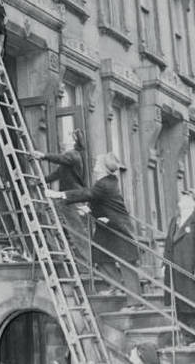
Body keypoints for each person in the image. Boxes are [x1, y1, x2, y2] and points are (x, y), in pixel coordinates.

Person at [46, 153, 143, 310]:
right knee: (99, 256)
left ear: (104, 168)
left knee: (127, 264)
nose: (95, 166)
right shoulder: (106, 182)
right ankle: (116, 285)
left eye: (97, 163)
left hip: (118, 228)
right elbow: (99, 200)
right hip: (107, 227)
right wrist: (90, 210)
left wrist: (60, 194)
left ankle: (136, 303)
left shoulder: (105, 183)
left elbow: (90, 194)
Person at [163, 188, 195, 346]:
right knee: (178, 305)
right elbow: (168, 245)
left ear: (193, 203)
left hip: (190, 271)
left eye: (185, 198)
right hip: (174, 270)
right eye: (182, 197)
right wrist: (165, 263)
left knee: (193, 305)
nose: (181, 200)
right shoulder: (174, 220)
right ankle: (187, 338)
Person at [32, 129, 88, 260]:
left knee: (77, 230)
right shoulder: (70, 158)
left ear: (74, 142)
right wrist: (39, 181)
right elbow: (57, 174)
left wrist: (43, 156)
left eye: (67, 139)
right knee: (72, 227)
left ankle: (87, 260)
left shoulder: (73, 155)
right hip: (72, 198)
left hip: (72, 198)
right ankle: (69, 253)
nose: (63, 142)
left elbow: (60, 159)